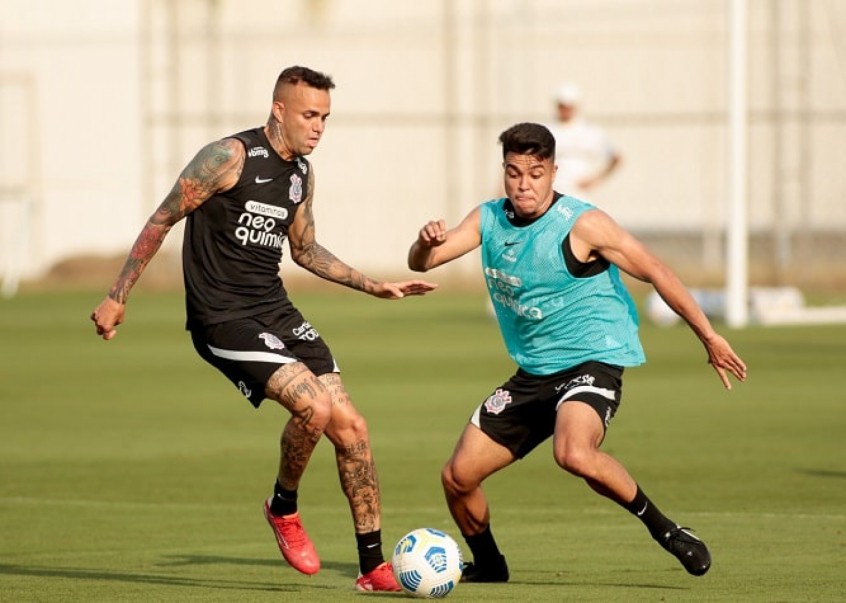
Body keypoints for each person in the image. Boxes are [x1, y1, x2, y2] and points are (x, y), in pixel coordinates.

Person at [90, 65, 437, 592]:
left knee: (353, 429)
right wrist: (118, 296)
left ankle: (372, 567)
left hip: (275, 310)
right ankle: (283, 508)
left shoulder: (301, 174)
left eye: (325, 117)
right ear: (279, 110)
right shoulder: (227, 157)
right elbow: (162, 218)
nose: (319, 127)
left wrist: (374, 286)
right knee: (314, 407)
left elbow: (305, 250)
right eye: (309, 115)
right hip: (221, 318)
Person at [407, 122, 746, 582]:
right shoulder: (489, 219)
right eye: (513, 173)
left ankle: (666, 531)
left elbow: (655, 270)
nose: (523, 184)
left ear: (553, 172)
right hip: (534, 372)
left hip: (592, 359)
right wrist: (424, 244)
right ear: (503, 173)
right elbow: (423, 262)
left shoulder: (584, 224)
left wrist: (708, 335)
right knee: (457, 477)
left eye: (535, 173)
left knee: (573, 452)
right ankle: (490, 566)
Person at [547, 82, 621, 199]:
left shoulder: (591, 132)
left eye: (569, 106)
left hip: (581, 195)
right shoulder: (547, 131)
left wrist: (595, 180)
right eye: (562, 106)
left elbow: (616, 157)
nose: (565, 110)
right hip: (553, 193)